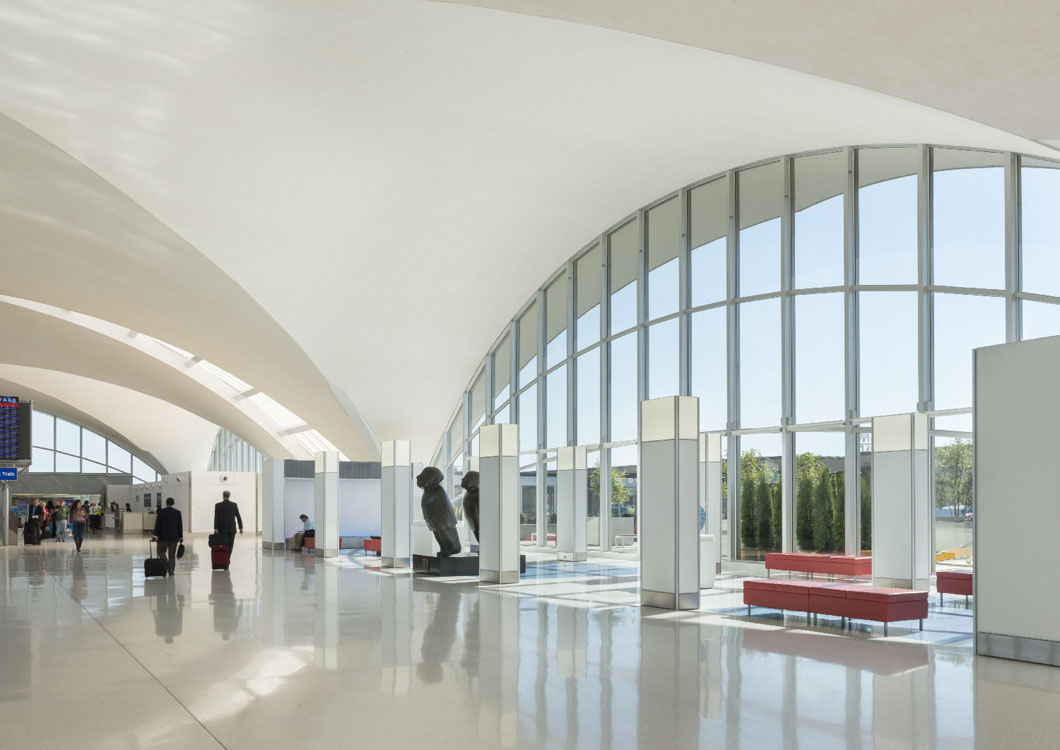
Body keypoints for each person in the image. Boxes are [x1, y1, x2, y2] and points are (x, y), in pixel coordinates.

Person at [152, 497, 184, 577]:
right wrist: (181, 536)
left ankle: (165, 563)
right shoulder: (177, 512)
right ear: (173, 503)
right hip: (174, 537)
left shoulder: (161, 512)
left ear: (166, 503)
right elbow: (179, 525)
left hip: (163, 537)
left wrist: (155, 535)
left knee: (161, 552)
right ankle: (171, 571)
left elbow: (158, 524)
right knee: (172, 555)